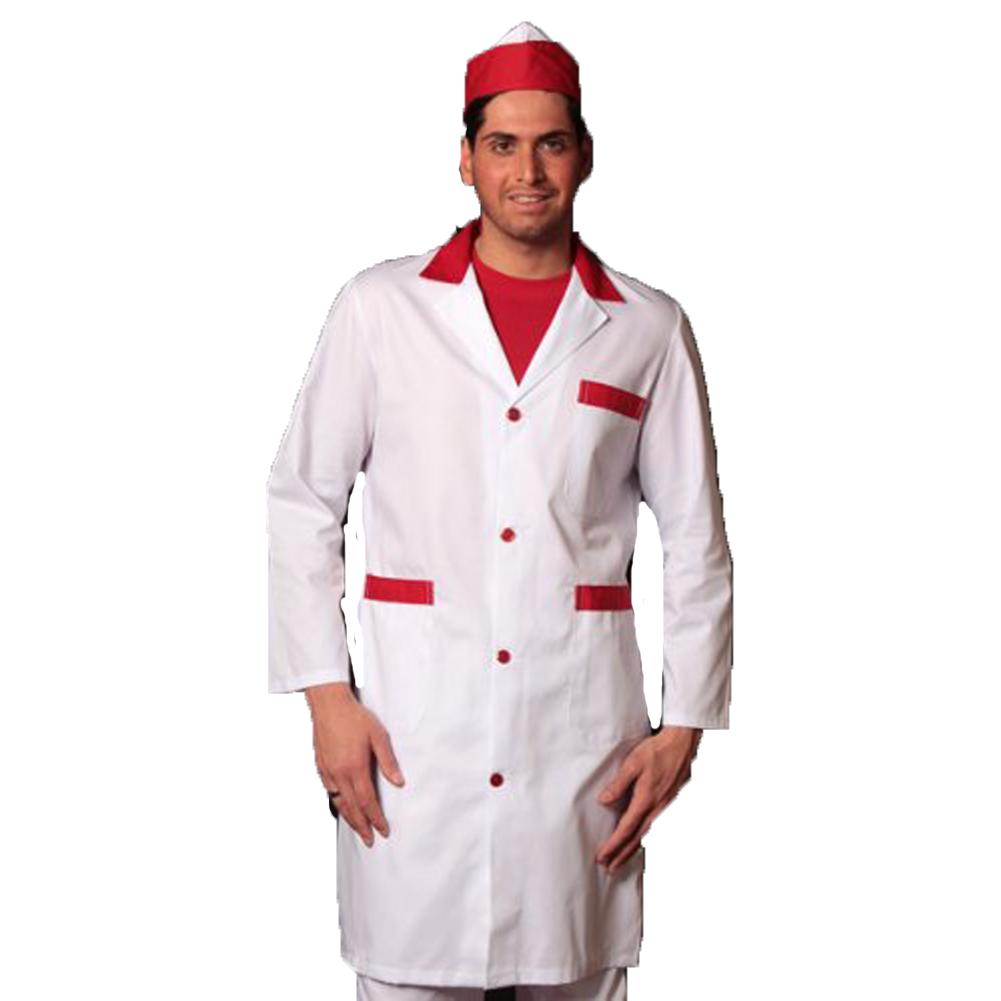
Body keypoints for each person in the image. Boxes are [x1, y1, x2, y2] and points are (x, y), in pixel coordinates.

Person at [266, 21, 733, 1001]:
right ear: (465, 158)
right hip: (411, 740)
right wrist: (325, 698)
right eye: (503, 144)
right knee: (410, 970)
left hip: (580, 748)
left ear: (585, 155)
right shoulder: (380, 308)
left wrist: (684, 727)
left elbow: (695, 537)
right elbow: (303, 498)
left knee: (571, 967)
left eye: (550, 143)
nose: (527, 170)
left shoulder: (646, 328)